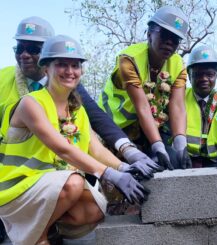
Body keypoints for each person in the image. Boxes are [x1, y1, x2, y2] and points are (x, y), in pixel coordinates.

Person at [0, 35, 150, 245]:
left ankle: (46, 228)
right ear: (46, 69)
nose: (70, 71)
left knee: (93, 209)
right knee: (74, 183)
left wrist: (125, 166)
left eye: (75, 65)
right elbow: (64, 150)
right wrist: (108, 174)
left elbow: (94, 148)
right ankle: (34, 238)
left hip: (47, 187)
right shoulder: (30, 104)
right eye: (61, 64)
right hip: (15, 188)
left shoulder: (77, 109)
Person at [0, 16, 159, 174]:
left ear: (48, 54)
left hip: (58, 171)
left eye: (34, 49)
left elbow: (97, 119)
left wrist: (129, 150)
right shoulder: (3, 79)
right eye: (20, 48)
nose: (24, 55)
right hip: (11, 172)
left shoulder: (68, 87)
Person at [99, 6, 192, 170]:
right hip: (115, 128)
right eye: (165, 35)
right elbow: (142, 105)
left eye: (176, 39)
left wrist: (180, 145)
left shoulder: (178, 64)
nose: (170, 42)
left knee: (172, 162)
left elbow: (177, 106)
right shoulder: (129, 59)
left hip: (147, 128)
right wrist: (158, 147)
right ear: (149, 34)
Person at [184, 45, 217, 168]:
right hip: (183, 161)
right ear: (189, 76)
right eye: (198, 74)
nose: (204, 79)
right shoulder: (177, 99)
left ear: (216, 76)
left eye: (209, 74)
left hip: (215, 163)